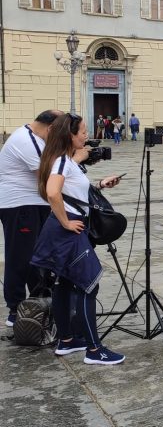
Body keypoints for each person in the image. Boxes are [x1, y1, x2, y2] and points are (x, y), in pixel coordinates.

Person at [29, 113, 125, 364]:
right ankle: (95, 350)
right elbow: (52, 193)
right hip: (67, 231)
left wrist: (100, 185)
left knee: (65, 284)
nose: (86, 135)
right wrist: (65, 221)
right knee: (88, 284)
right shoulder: (62, 161)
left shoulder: (65, 161)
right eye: (82, 131)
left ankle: (67, 340)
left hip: (63, 231)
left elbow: (72, 189)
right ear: (69, 136)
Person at [0, 109, 66, 327]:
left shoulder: (36, 138)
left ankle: (38, 303)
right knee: (20, 257)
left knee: (38, 257)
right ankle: (15, 308)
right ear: (50, 128)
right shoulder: (24, 140)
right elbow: (48, 175)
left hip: (35, 204)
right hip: (20, 206)